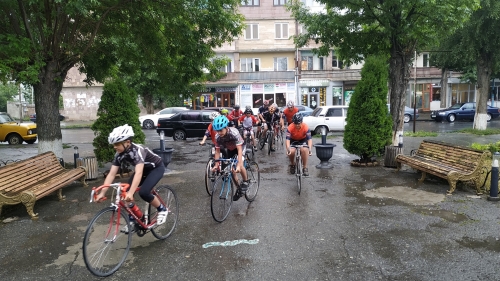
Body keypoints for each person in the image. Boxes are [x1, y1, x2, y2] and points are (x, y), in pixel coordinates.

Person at [94, 124, 168, 229]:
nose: (114, 147)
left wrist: (131, 193)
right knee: (126, 191)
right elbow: (111, 174)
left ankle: (162, 209)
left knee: (144, 192)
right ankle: (135, 218)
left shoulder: (138, 151)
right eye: (113, 144)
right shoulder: (119, 154)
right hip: (143, 170)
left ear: (127, 142)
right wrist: (102, 193)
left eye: (117, 144)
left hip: (156, 168)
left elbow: (138, 173)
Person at [211, 115, 249, 201]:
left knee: (240, 164)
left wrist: (239, 165)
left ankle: (246, 181)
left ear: (226, 127)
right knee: (231, 170)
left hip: (240, 148)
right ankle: (238, 189)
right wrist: (216, 165)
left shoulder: (234, 133)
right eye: (217, 131)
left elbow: (239, 150)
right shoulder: (217, 137)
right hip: (230, 149)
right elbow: (217, 151)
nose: (219, 133)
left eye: (221, 130)